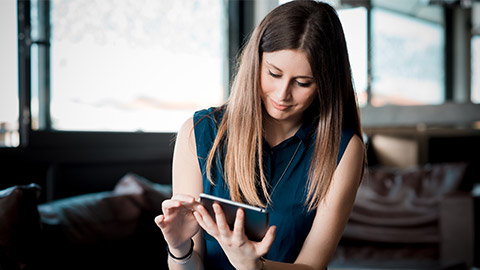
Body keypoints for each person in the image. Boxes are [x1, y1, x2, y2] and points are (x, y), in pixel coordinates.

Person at [155, 1, 365, 269]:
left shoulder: (344, 149)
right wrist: (179, 248)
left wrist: (254, 266)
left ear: (326, 83)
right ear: (256, 63)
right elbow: (190, 263)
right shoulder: (198, 133)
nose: (282, 95)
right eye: (273, 74)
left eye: (302, 83)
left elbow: (313, 266)